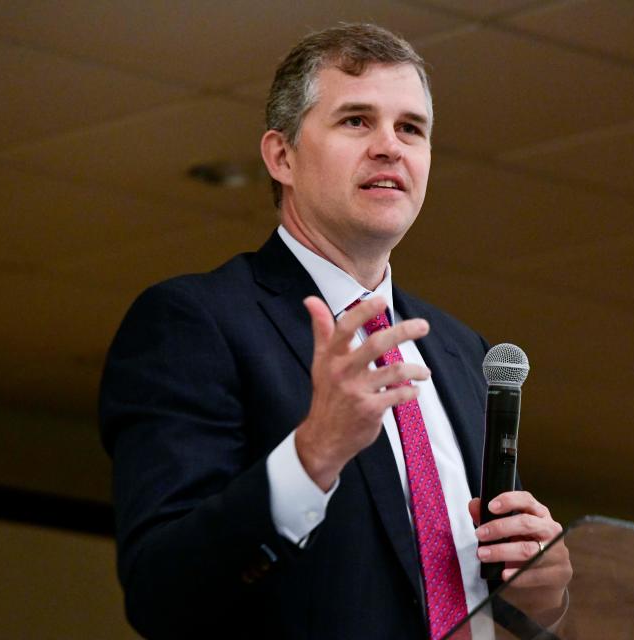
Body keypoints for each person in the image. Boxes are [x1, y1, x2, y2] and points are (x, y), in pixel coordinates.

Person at [99, 23, 571, 639]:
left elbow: (474, 599)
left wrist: (541, 597)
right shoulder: (197, 322)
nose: (389, 147)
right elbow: (161, 590)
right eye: (356, 121)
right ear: (281, 156)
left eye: (410, 128)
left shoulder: (462, 353)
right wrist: (313, 454)